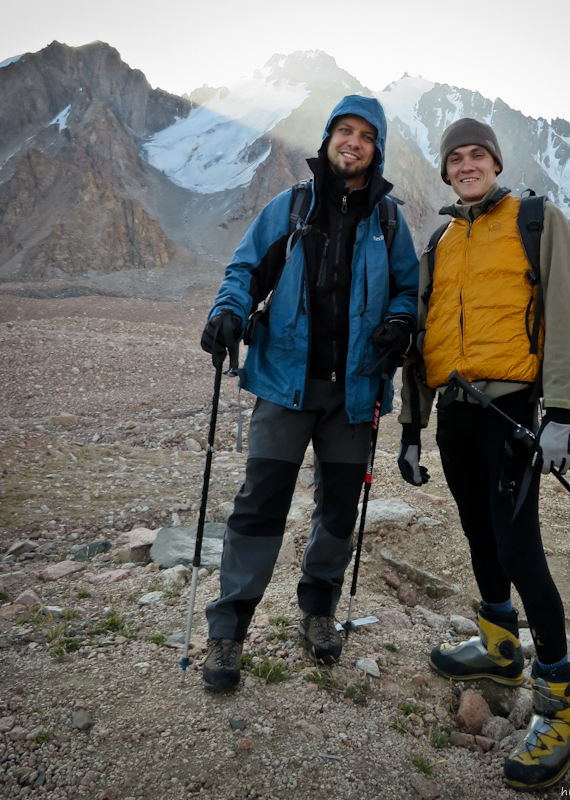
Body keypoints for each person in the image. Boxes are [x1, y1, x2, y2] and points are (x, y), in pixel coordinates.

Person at [199, 95, 419, 694]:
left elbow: (408, 291)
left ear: (376, 151)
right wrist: (228, 312)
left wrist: (400, 323)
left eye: (365, 136)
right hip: (283, 385)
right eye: (343, 131)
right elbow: (245, 271)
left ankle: (318, 610)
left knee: (338, 512)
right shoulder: (290, 207)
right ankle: (228, 630)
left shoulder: (390, 222)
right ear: (327, 140)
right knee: (260, 505)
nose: (353, 142)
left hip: (355, 393)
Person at [397, 118, 570, 790]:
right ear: (446, 171)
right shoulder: (440, 240)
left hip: (513, 410)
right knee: (478, 532)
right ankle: (502, 649)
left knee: (517, 547)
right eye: (456, 158)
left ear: (495, 163)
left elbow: (566, 311)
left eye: (477, 155)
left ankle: (561, 706)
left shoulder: (536, 219)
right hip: (455, 412)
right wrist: (411, 430)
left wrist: (561, 413)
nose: (467, 165)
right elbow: (425, 338)